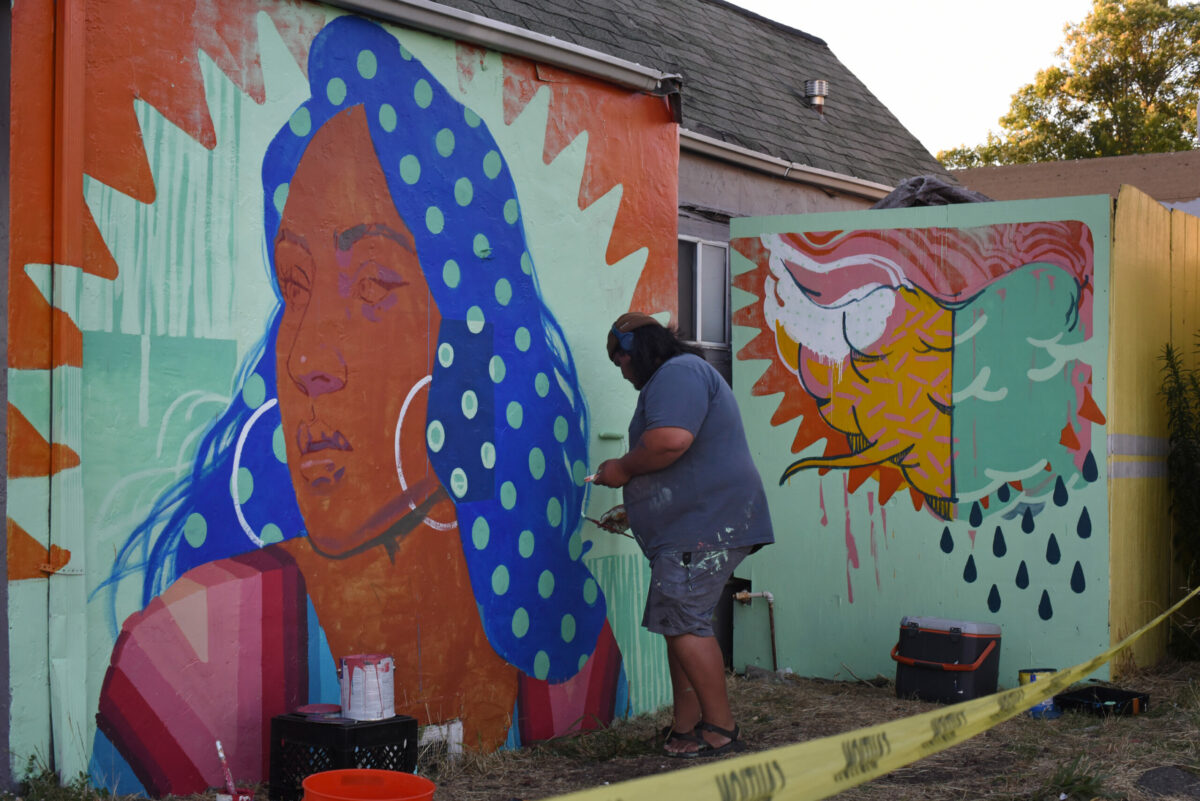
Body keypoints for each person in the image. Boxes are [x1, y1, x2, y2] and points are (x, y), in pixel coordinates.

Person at [90, 17, 622, 795]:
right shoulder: (186, 660)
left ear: (470, 334)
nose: (304, 359)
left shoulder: (574, 664)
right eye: (295, 287)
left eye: (373, 283)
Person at [592, 312, 774, 758]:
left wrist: (620, 469)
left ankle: (721, 729)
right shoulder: (679, 378)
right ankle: (687, 728)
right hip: (697, 526)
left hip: (706, 529)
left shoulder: (679, 372)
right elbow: (685, 464)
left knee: (685, 624)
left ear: (635, 350)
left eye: (622, 363)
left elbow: (670, 441)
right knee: (679, 625)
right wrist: (635, 509)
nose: (624, 375)